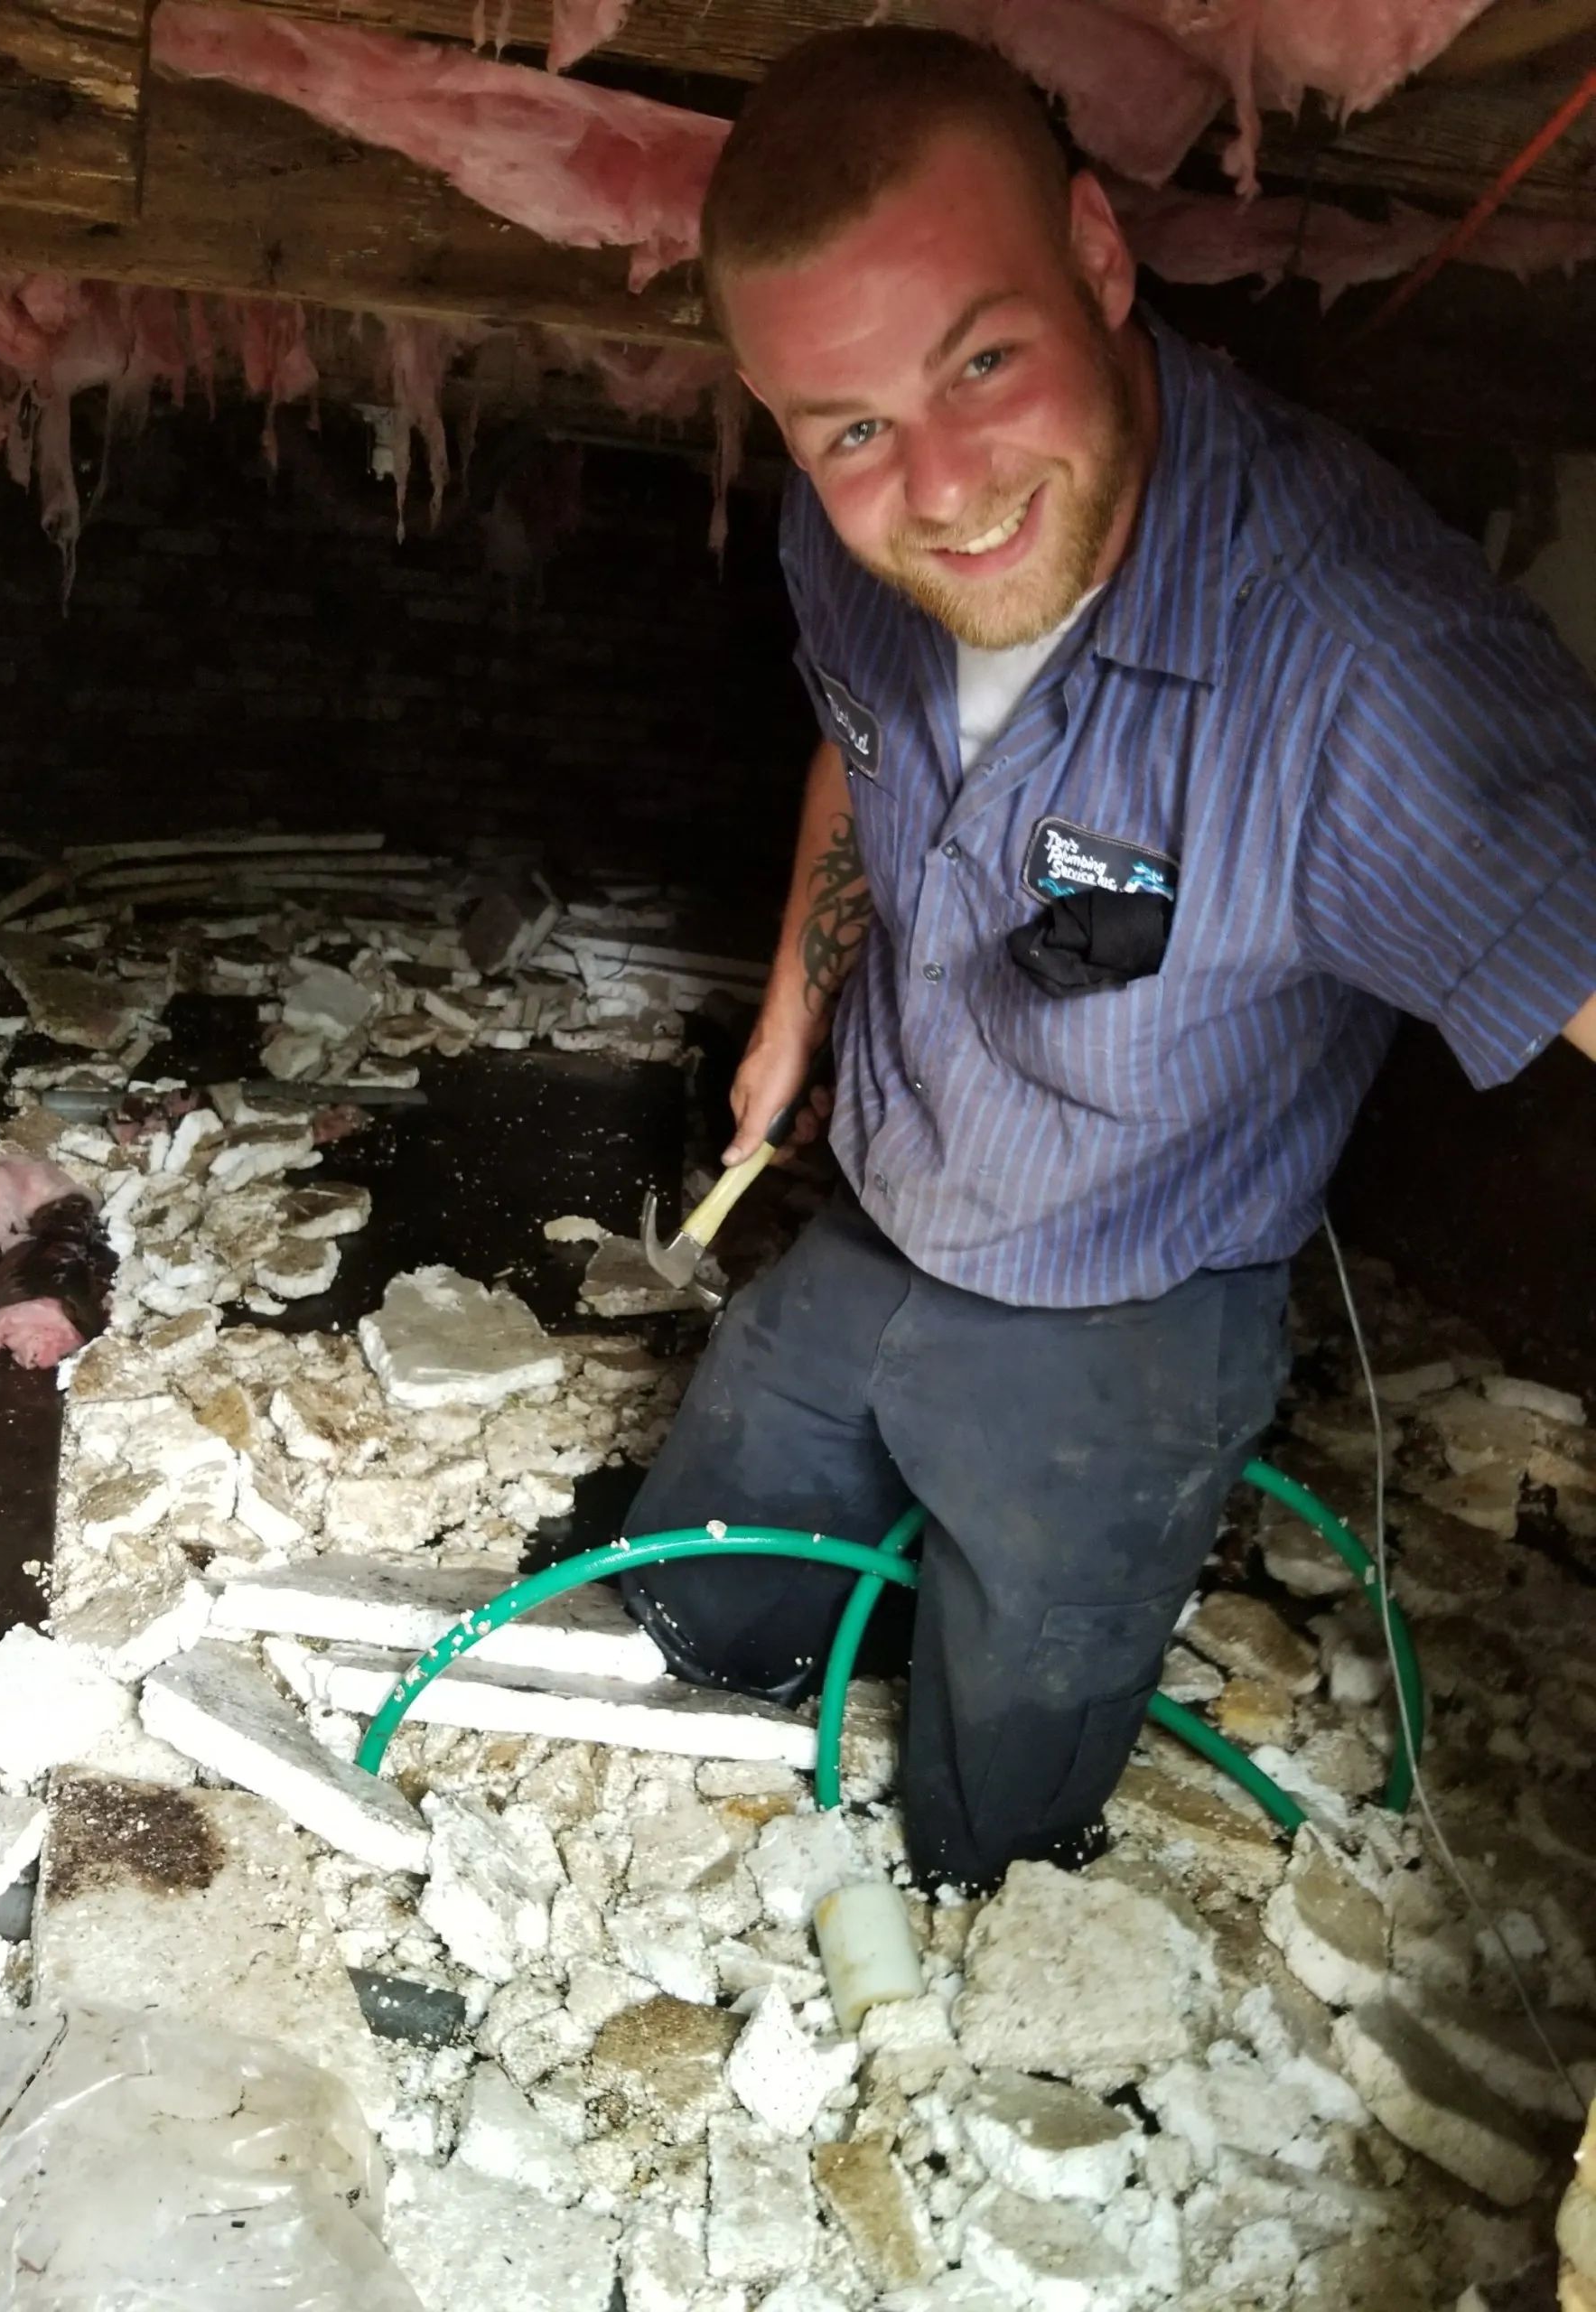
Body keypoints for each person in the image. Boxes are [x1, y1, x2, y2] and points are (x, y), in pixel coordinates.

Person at [621, 25, 1596, 1892]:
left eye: (982, 358)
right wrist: (793, 1005)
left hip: (1131, 1306)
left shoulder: (1356, 674)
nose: (946, 483)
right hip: (889, 1201)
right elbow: (860, 738)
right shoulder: (856, 545)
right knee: (691, 1585)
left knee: (1001, 1773)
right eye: (851, 428)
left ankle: (979, 1906)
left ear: (1098, 254)